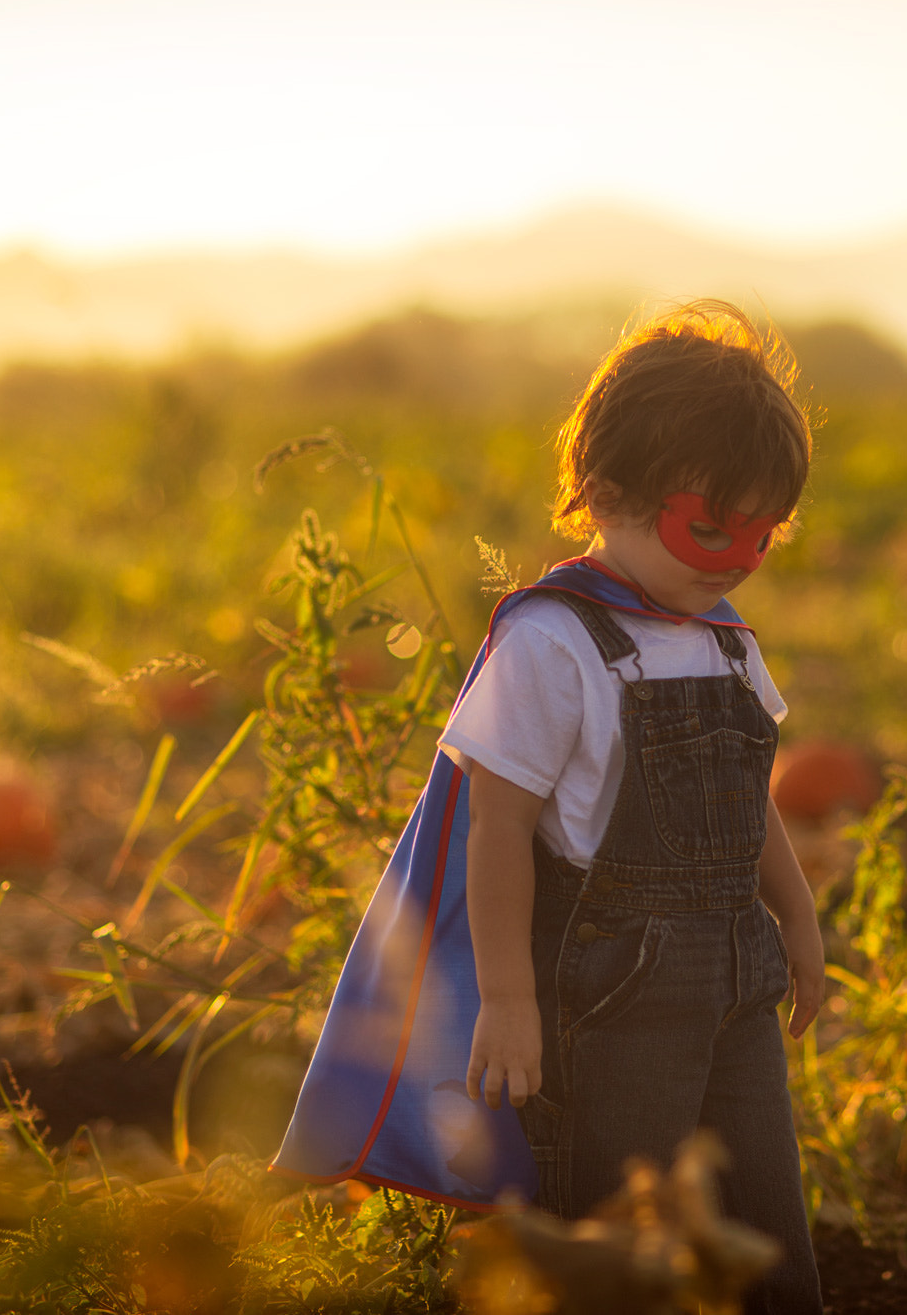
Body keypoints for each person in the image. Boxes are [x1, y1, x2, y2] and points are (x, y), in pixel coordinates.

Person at [274, 300, 824, 1314]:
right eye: (705, 527)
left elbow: (752, 803)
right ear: (606, 490)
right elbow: (494, 829)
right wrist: (510, 1000)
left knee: (765, 1227)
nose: (731, 557)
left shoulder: (724, 637)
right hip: (611, 996)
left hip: (735, 981)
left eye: (761, 532)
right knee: (614, 1232)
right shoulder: (552, 642)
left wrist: (794, 917)